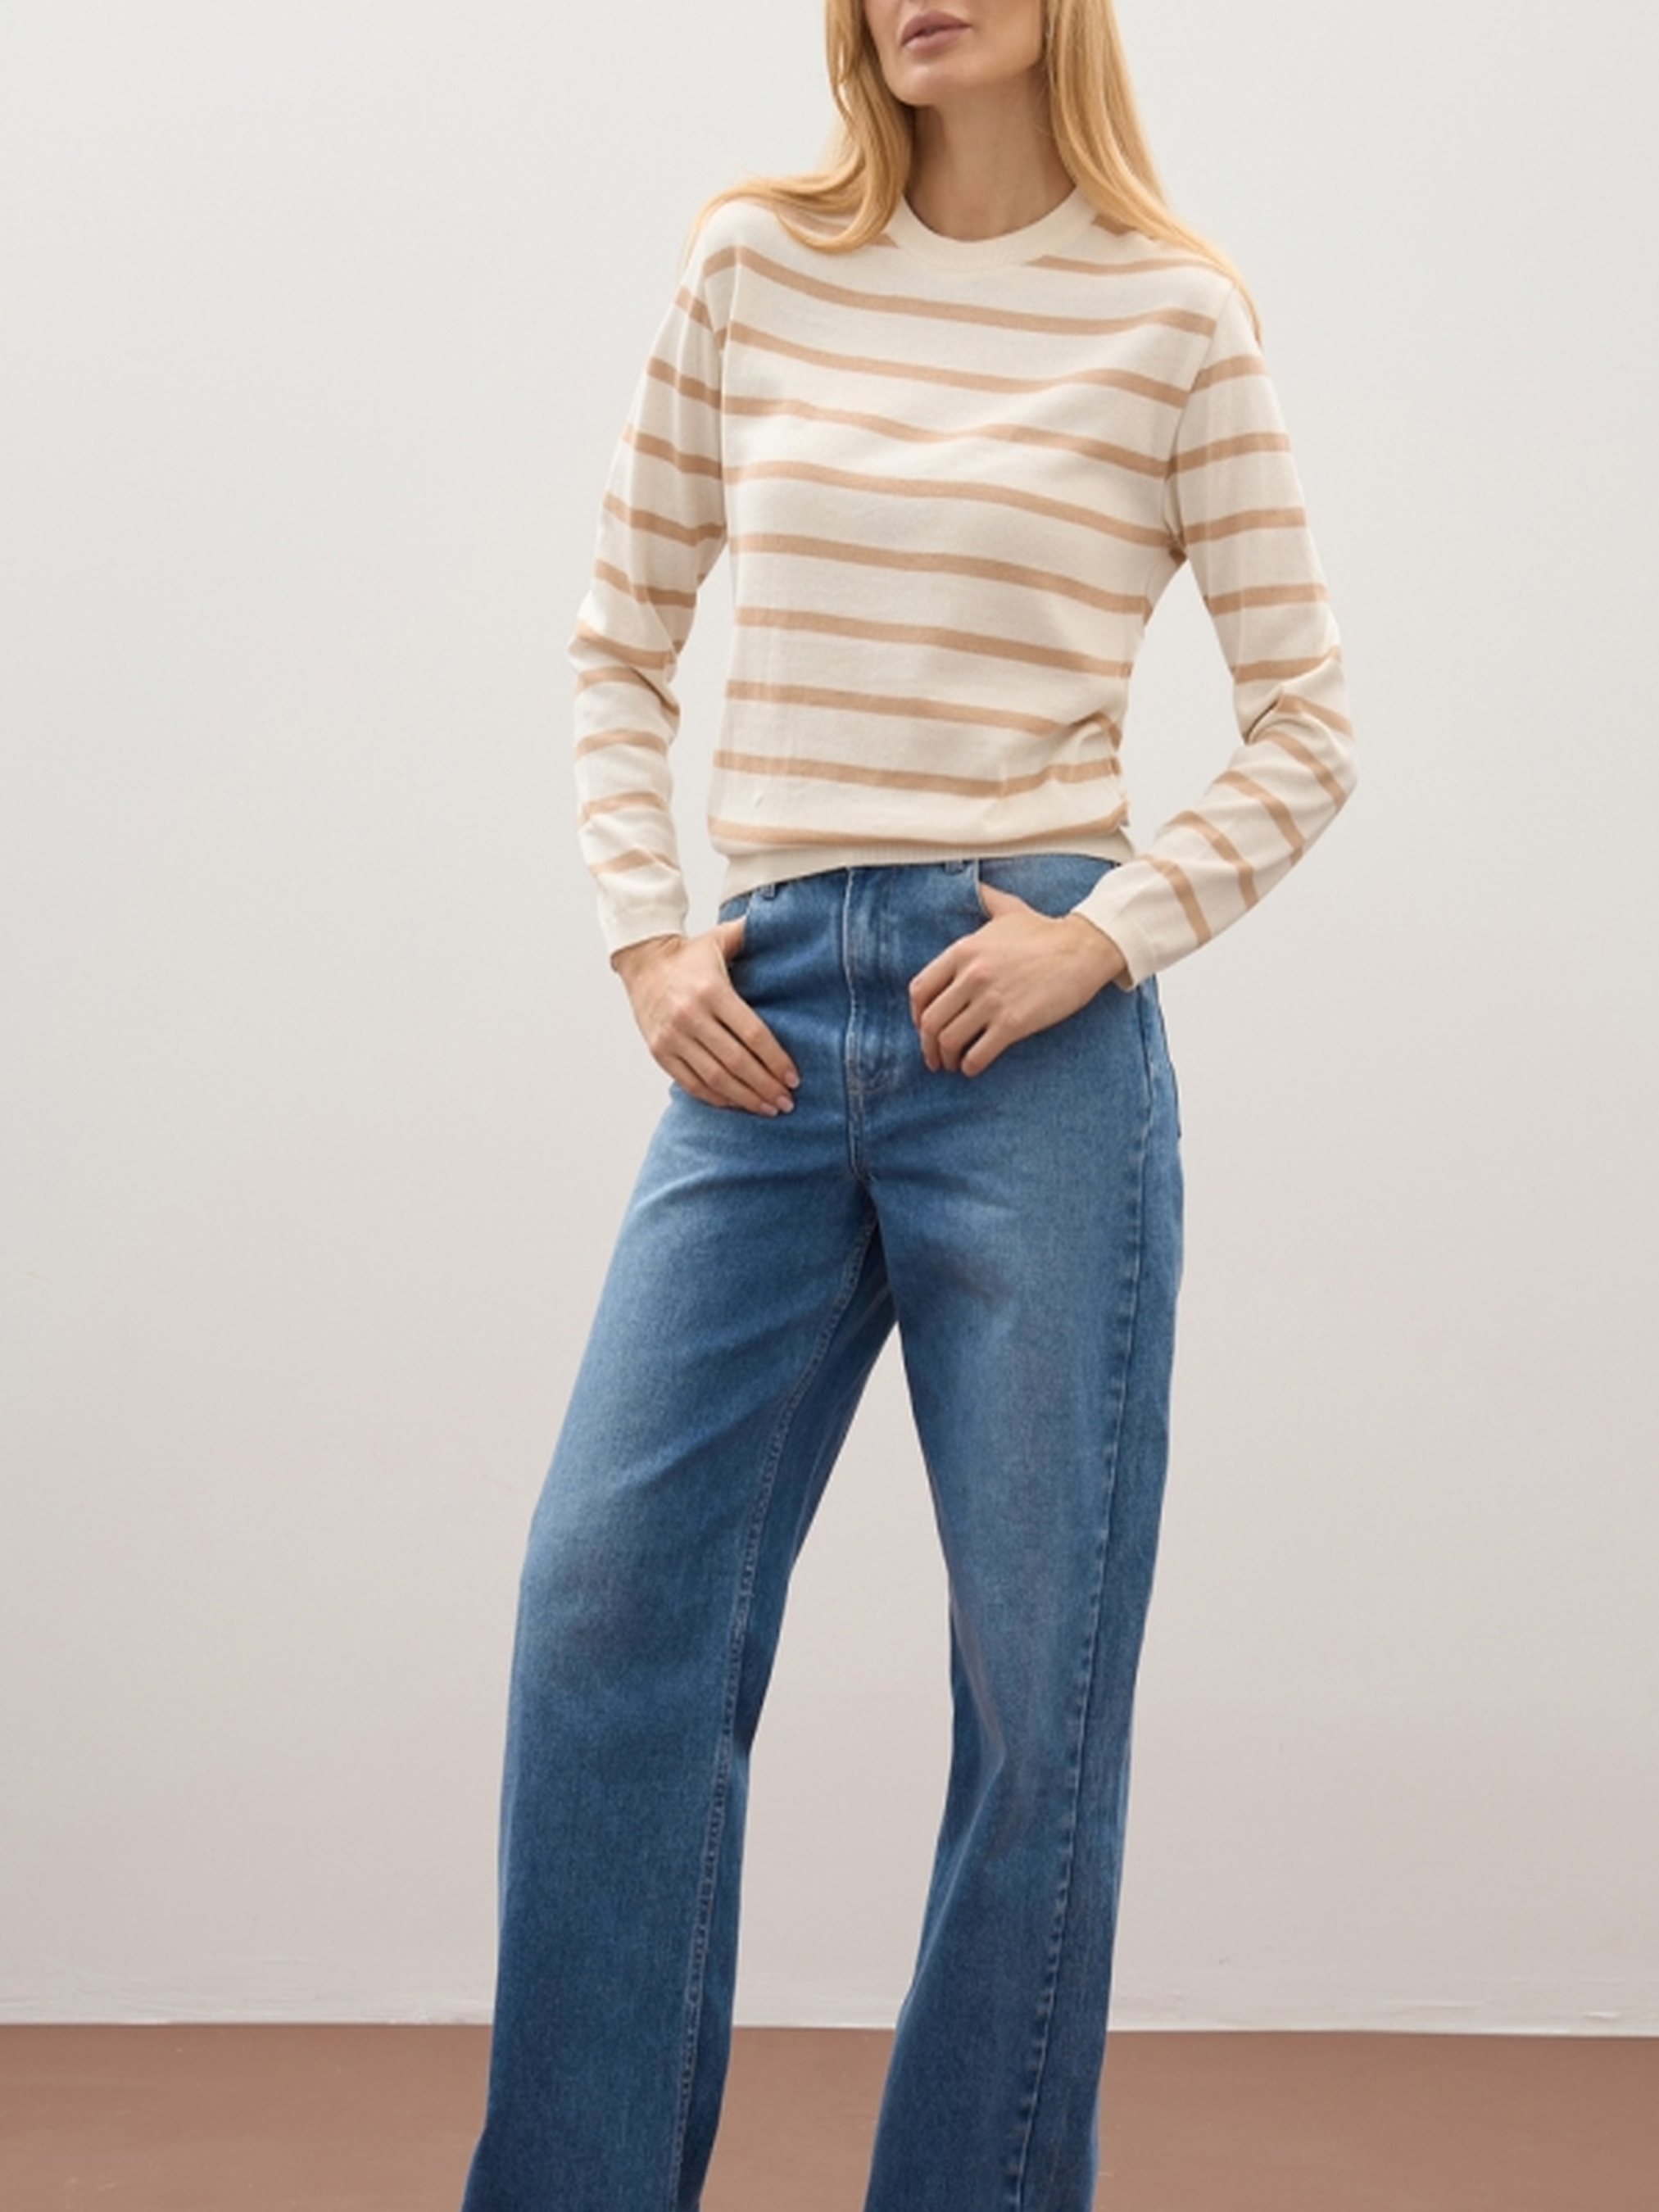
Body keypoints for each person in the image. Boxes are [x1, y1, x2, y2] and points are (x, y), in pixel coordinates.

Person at [459, 1, 1356, 2205]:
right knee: (604, 1608)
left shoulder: (1170, 314)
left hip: (1024, 1030)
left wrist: (1096, 938)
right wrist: (645, 936)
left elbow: (1308, 721)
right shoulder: (754, 264)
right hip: (758, 1022)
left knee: (1039, 1684)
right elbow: (617, 639)